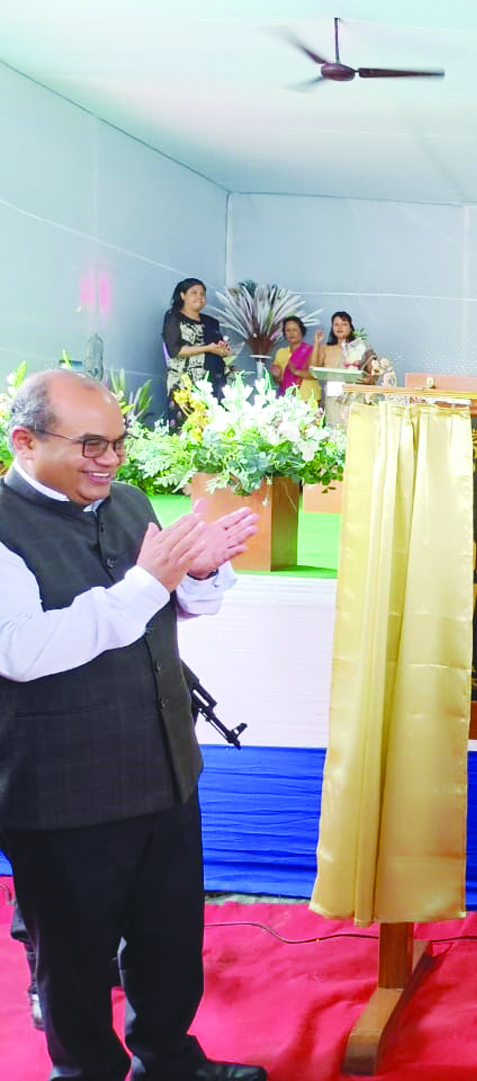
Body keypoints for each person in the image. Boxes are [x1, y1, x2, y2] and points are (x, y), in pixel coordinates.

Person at [0, 369, 266, 1081]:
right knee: (76, 959)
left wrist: (200, 572)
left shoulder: (129, 503)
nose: (110, 459)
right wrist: (150, 581)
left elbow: (176, 608)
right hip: (62, 791)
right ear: (25, 441)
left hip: (164, 764)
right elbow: (23, 651)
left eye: (118, 442)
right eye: (91, 443)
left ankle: (169, 1061)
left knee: (169, 939)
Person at [162, 278, 232, 426]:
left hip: (213, 382)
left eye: (202, 294)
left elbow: (217, 346)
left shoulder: (211, 322)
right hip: (185, 384)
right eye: (194, 292)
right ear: (182, 295)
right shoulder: (173, 317)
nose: (199, 296)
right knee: (186, 428)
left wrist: (223, 351)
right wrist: (207, 348)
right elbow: (175, 350)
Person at [312, 311, 376, 376]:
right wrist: (317, 343)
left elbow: (374, 371)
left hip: (353, 385)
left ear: (351, 328)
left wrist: (370, 379)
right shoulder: (325, 348)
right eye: (336, 324)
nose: (339, 327)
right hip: (331, 385)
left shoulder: (362, 346)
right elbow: (313, 368)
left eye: (344, 324)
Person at [270, 316, 317, 401]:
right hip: (287, 399)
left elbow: (315, 375)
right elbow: (277, 381)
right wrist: (276, 375)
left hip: (308, 398)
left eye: (294, 330)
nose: (291, 333)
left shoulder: (312, 351)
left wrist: (296, 372)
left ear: (301, 331)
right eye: (288, 330)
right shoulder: (280, 352)